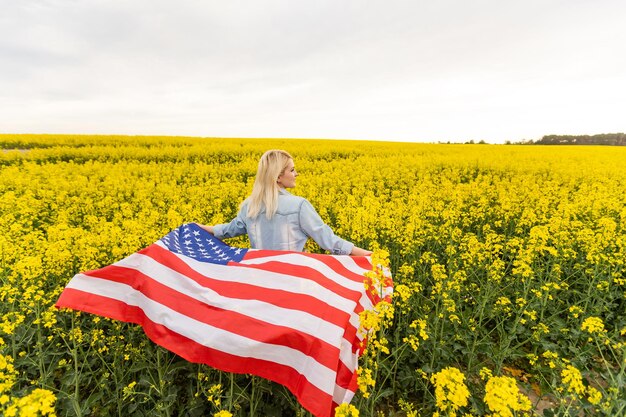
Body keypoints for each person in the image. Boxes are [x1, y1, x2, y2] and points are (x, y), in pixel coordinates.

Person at [199, 149, 372, 256]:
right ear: (278, 176)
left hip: (261, 277)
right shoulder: (299, 206)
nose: (296, 174)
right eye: (292, 169)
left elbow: (227, 231)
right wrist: (365, 254)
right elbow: (327, 240)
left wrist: (197, 227)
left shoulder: (249, 206)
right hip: (293, 278)